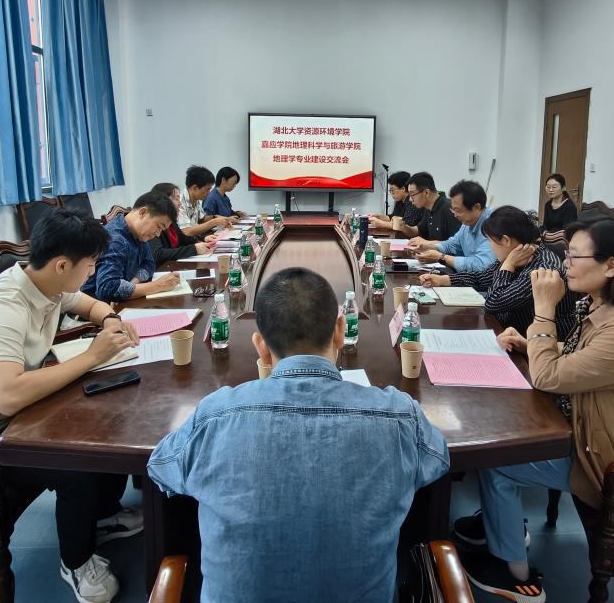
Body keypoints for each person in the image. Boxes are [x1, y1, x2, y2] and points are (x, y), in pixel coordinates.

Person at [147, 267, 450, 602]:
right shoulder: (399, 416)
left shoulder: (215, 417)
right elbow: (437, 459)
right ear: (340, 331)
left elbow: (161, 468)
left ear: (261, 347)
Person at [452, 217, 614, 602]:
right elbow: (581, 359)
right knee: (503, 437)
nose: (565, 264)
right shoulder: (608, 306)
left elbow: (548, 377)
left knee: (498, 460)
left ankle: (515, 573)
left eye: (574, 256)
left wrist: (543, 311)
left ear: (611, 265)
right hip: (596, 433)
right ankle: (499, 524)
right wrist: (531, 344)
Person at [0, 209, 144, 603]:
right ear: (62, 265)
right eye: (90, 264)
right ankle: (76, 562)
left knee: (109, 412)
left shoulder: (46, 283)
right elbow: (7, 395)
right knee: (76, 458)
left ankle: (101, 515)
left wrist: (110, 319)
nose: (92, 271)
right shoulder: (1, 309)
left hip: (11, 417)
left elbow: (87, 303)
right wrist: (93, 356)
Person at [420, 206, 573, 335]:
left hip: (538, 345)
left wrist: (507, 266)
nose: (490, 247)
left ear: (506, 240)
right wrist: (443, 280)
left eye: (490, 241)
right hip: (511, 333)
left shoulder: (542, 269)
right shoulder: (518, 253)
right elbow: (482, 278)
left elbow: (494, 302)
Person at [82, 191, 180, 302]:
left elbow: (149, 264)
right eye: (158, 226)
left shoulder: (138, 233)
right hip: (92, 307)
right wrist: (157, 286)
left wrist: (133, 282)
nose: (158, 234)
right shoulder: (115, 240)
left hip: (120, 303)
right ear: (142, 213)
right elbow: (107, 289)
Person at [408, 180, 496, 272]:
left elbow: (482, 265)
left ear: (476, 207)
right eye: (453, 210)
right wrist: (430, 247)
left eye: (458, 210)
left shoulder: (493, 225)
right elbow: (452, 245)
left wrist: (442, 257)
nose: (455, 215)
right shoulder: (468, 221)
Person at [148, 182, 218, 263]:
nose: (180, 203)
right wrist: (194, 249)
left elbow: (184, 239)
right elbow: (158, 254)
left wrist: (203, 239)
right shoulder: (153, 224)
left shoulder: (172, 222)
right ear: (163, 201)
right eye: (176, 199)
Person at [399, 171, 461, 241]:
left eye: (412, 194)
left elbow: (457, 243)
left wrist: (427, 243)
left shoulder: (449, 209)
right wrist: (403, 227)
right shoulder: (428, 208)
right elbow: (417, 231)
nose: (410, 199)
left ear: (426, 193)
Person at [179, 164, 233, 237]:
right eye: (207, 189)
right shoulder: (179, 202)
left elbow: (202, 219)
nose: (209, 193)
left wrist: (216, 217)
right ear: (195, 188)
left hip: (196, 240)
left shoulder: (195, 200)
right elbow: (187, 232)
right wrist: (214, 222)